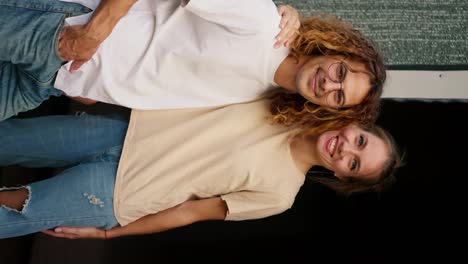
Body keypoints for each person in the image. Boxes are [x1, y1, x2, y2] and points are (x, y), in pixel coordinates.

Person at [0, 98, 401, 239]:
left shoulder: (279, 195)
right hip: (118, 131)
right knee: (9, 137)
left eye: (354, 163)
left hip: (117, 191)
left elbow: (190, 211)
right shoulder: (288, 101)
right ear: (354, 124)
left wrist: (108, 236)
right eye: (360, 141)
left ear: (343, 176)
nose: (346, 149)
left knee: (8, 207)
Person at [0, 0, 385, 123]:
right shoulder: (262, 23)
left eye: (338, 97)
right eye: (341, 73)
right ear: (336, 51)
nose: (330, 85)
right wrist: (93, 34)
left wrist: (98, 91)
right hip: (62, 37)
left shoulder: (260, 100)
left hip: (54, 83)